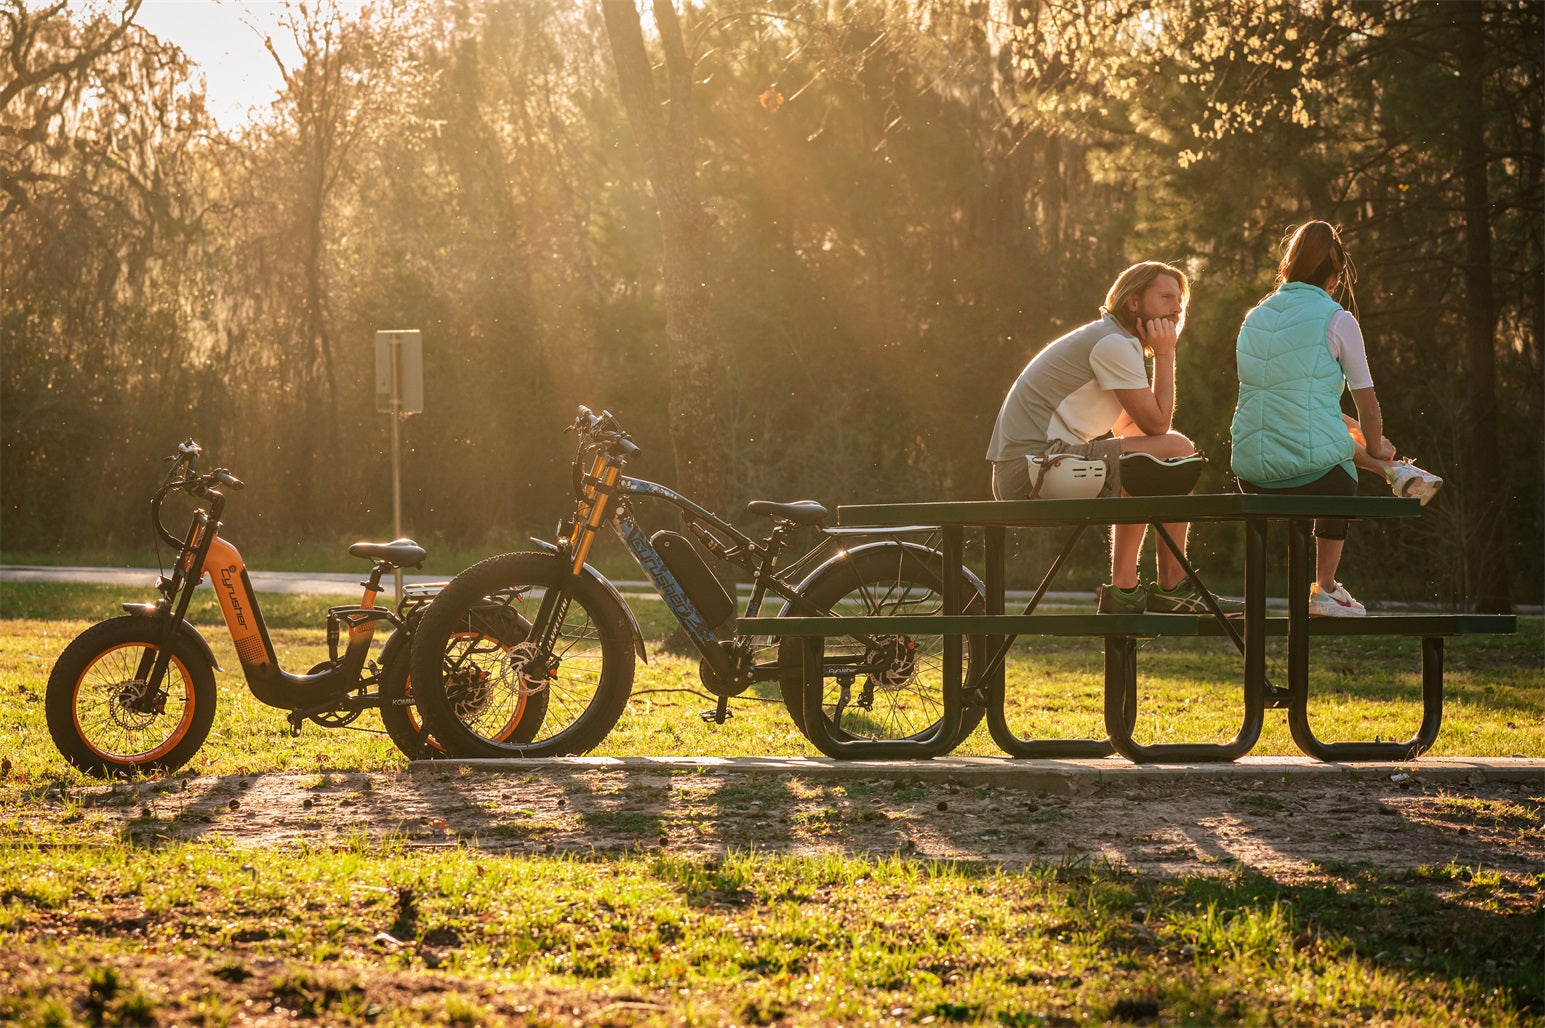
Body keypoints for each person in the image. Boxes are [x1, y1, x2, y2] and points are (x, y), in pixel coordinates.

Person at [1230, 221, 1442, 617]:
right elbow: (1369, 404)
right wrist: (1377, 447)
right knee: (1339, 468)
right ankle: (1325, 588)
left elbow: (1298, 403)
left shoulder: (1254, 317)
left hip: (1252, 474)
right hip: (1317, 479)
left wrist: (1360, 434)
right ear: (1335, 275)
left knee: (1333, 440)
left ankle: (1392, 472)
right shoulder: (1337, 318)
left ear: (1288, 268)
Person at [987, 261, 1224, 614]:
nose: (1176, 308)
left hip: (1032, 467)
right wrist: (1166, 354)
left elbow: (1134, 431)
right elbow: (1158, 427)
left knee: (1160, 459)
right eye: (1165, 297)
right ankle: (1168, 586)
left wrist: (1166, 458)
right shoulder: (1114, 343)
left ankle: (1128, 591)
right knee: (1177, 449)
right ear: (1133, 302)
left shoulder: (1111, 340)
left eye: (1180, 301)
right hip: (1034, 468)